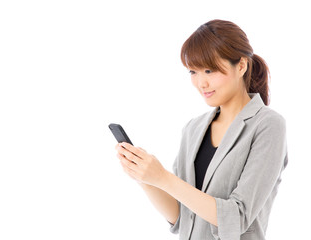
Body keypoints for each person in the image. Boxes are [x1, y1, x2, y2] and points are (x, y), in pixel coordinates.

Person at [114, 19, 288, 240]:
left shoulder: (268, 125)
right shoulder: (193, 128)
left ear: (241, 66)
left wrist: (164, 178)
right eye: (193, 72)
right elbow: (181, 216)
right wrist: (146, 178)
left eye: (209, 70)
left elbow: (238, 217)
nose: (201, 83)